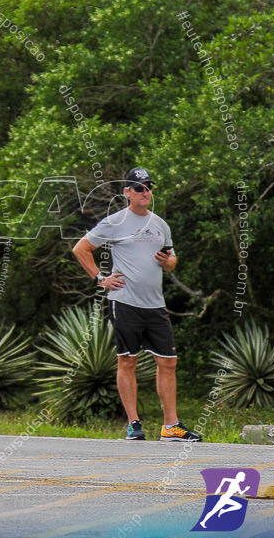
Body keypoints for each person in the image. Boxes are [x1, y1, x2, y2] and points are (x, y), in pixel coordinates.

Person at [72, 167, 202, 442]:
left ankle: (171, 427)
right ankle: (134, 423)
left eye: (148, 187)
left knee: (168, 363)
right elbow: (81, 248)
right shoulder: (115, 222)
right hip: (125, 302)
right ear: (127, 192)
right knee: (127, 361)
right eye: (139, 188)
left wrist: (168, 262)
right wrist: (100, 278)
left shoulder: (160, 224)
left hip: (155, 305)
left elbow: (172, 260)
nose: (146, 192)